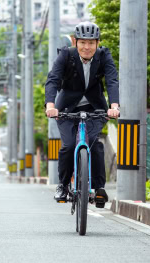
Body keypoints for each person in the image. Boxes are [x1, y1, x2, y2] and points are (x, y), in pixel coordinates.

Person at [45, 21, 120, 206]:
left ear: (97, 42)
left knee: (95, 146)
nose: (87, 47)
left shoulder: (104, 55)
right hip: (66, 109)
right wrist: (50, 105)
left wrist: (114, 105)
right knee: (69, 146)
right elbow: (53, 80)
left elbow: (112, 80)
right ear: (75, 42)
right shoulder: (65, 55)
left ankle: (99, 187)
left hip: (95, 108)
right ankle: (62, 185)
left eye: (91, 43)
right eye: (83, 42)